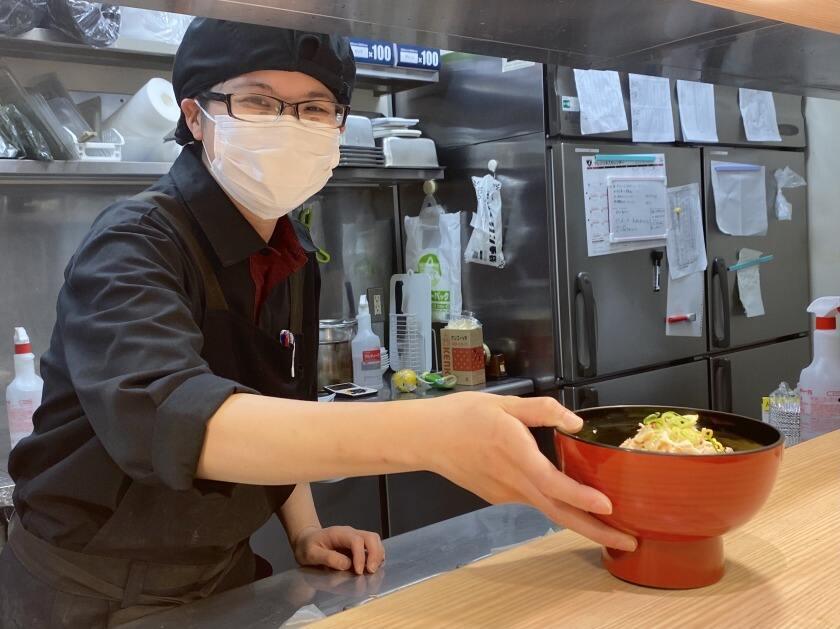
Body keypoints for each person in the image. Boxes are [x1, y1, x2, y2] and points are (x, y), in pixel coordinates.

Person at [0, 18, 636, 628]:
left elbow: (275, 401)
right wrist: (429, 432)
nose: (289, 125)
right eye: (258, 101)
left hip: (221, 571)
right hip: (86, 590)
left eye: (313, 108)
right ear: (195, 117)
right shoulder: (134, 243)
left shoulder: (290, 251)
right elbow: (174, 417)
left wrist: (304, 527)